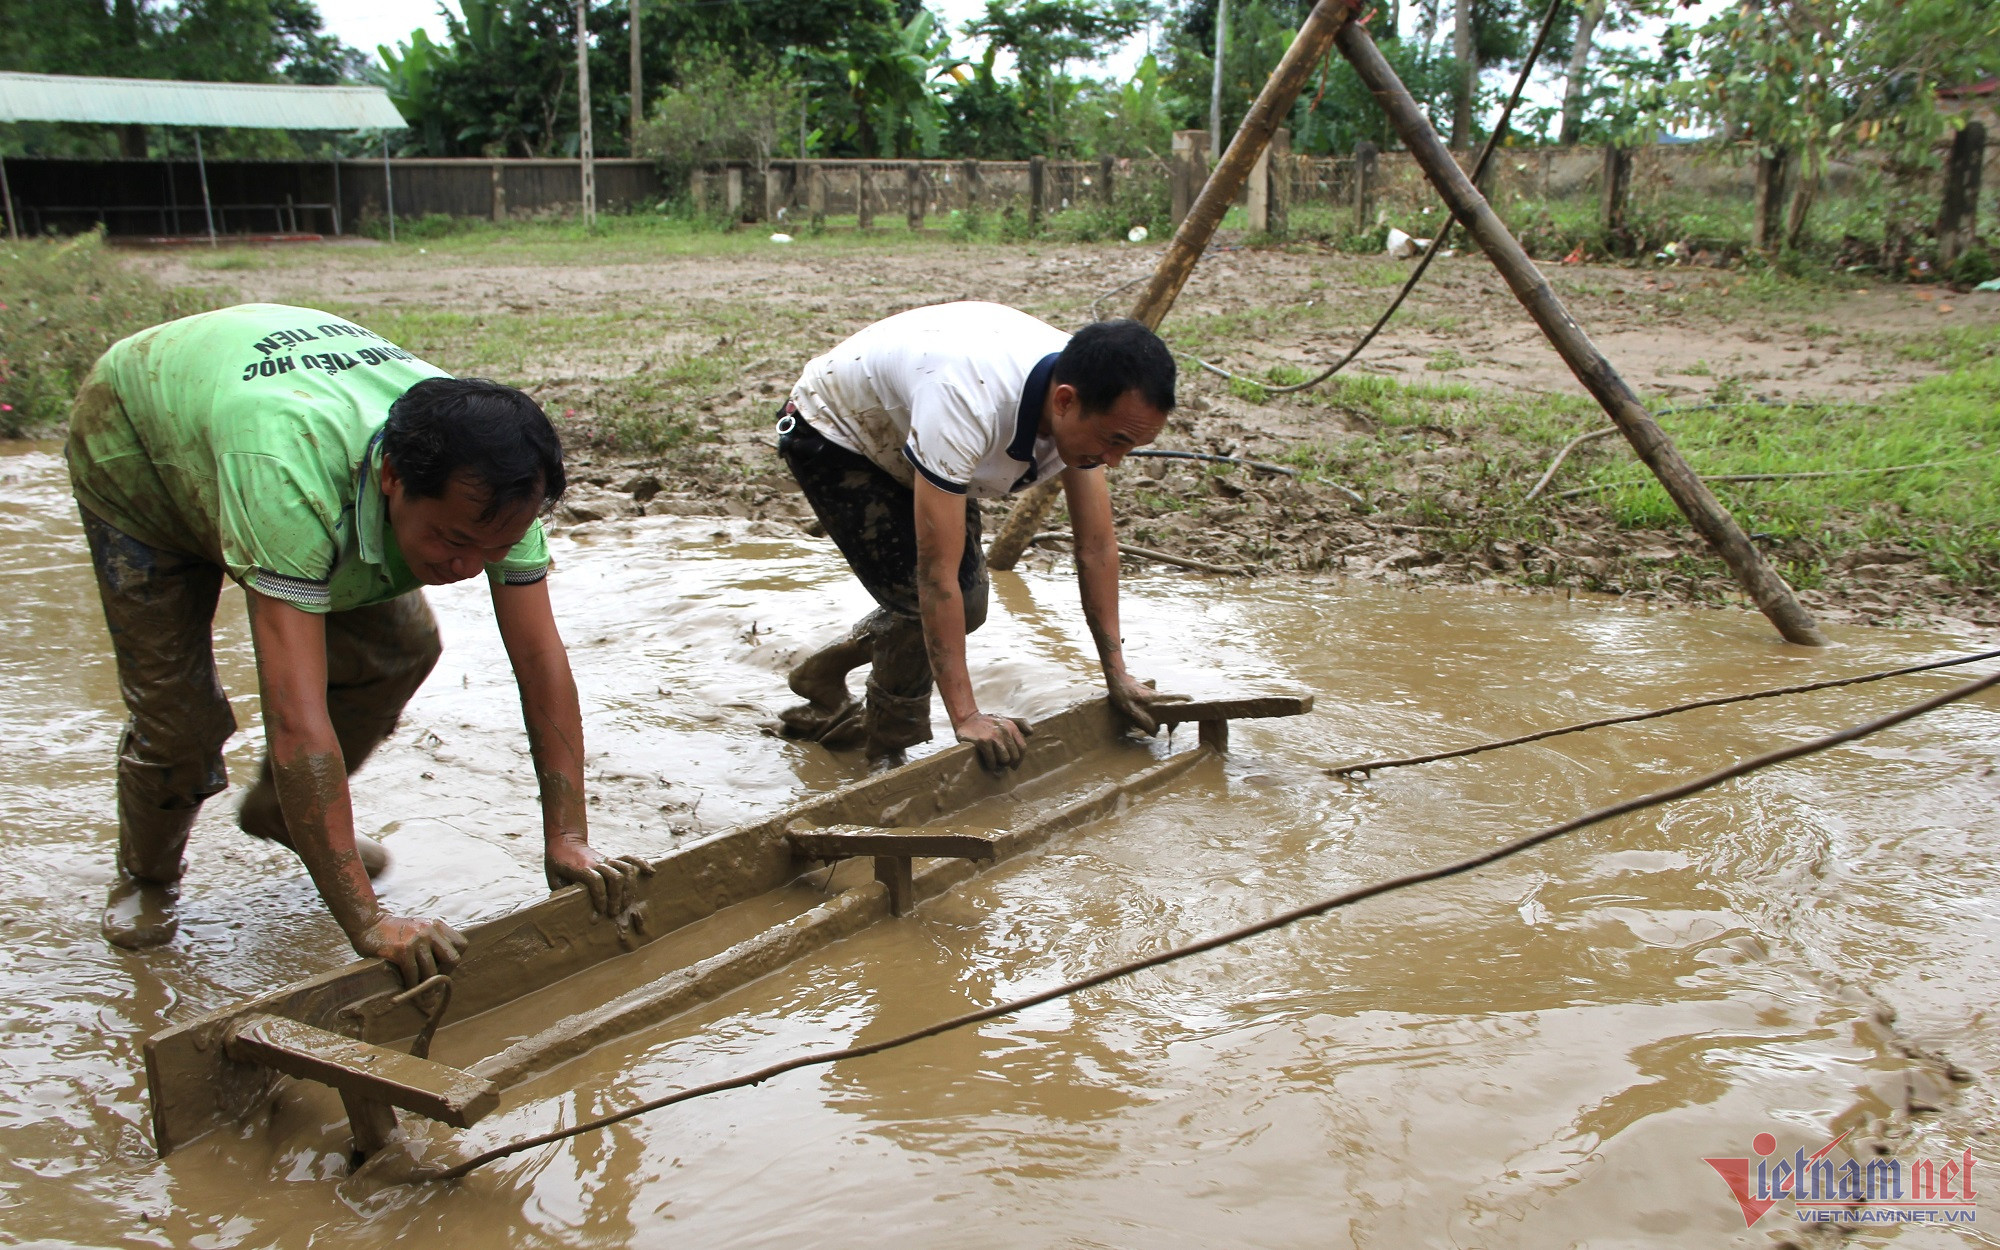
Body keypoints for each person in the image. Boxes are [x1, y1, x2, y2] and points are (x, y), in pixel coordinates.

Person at [69, 303, 649, 984]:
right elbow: (296, 717)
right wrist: (368, 920)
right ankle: (149, 874)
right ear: (392, 479)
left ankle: (281, 813)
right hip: (141, 453)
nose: (469, 568)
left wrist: (569, 837)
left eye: (491, 549)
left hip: (264, 426)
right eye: (454, 543)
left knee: (400, 649)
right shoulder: (290, 481)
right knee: (180, 721)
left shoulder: (495, 489)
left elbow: (540, 661)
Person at [775, 302, 1186, 769]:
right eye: (1114, 442)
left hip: (920, 425)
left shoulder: (1086, 407)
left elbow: (1095, 547)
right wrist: (966, 715)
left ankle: (822, 675)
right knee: (926, 598)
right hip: (839, 431)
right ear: (1065, 401)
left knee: (965, 604)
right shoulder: (967, 402)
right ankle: (887, 745)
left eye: (1131, 447)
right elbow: (935, 577)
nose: (1115, 461)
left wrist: (1119, 674)